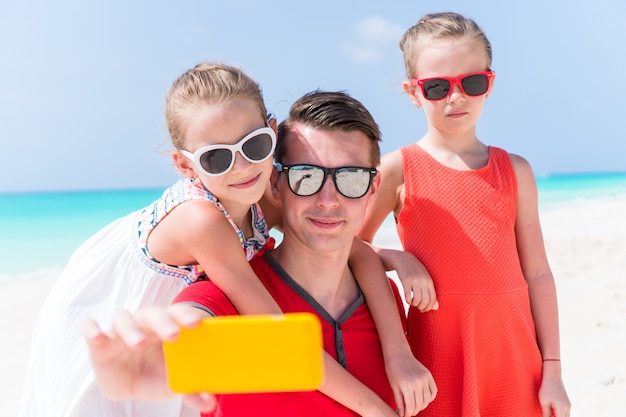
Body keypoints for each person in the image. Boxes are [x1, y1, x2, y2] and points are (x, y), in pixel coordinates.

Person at [20, 63, 429, 417]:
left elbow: (339, 239)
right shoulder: (203, 220)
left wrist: (393, 268)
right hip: (120, 320)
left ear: (270, 134)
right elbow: (280, 338)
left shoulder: (255, 194)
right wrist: (374, 407)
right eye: (218, 156)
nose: (242, 166)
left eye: (255, 146)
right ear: (185, 165)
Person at [357, 12, 571, 417]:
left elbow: (538, 273)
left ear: (489, 85)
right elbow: (350, 247)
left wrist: (553, 371)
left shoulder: (517, 171)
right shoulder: (398, 168)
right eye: (437, 87)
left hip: (514, 356)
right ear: (413, 92)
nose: (456, 98)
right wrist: (397, 258)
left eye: (471, 83)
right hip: (437, 355)